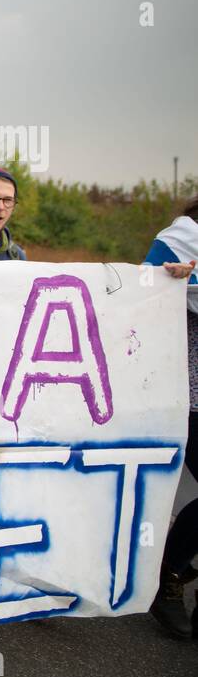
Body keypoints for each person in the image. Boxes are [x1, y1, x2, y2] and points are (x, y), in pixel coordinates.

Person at [143, 203, 198, 637]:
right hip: (189, 388)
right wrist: (168, 281)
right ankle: (170, 572)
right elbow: (144, 287)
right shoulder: (183, 236)